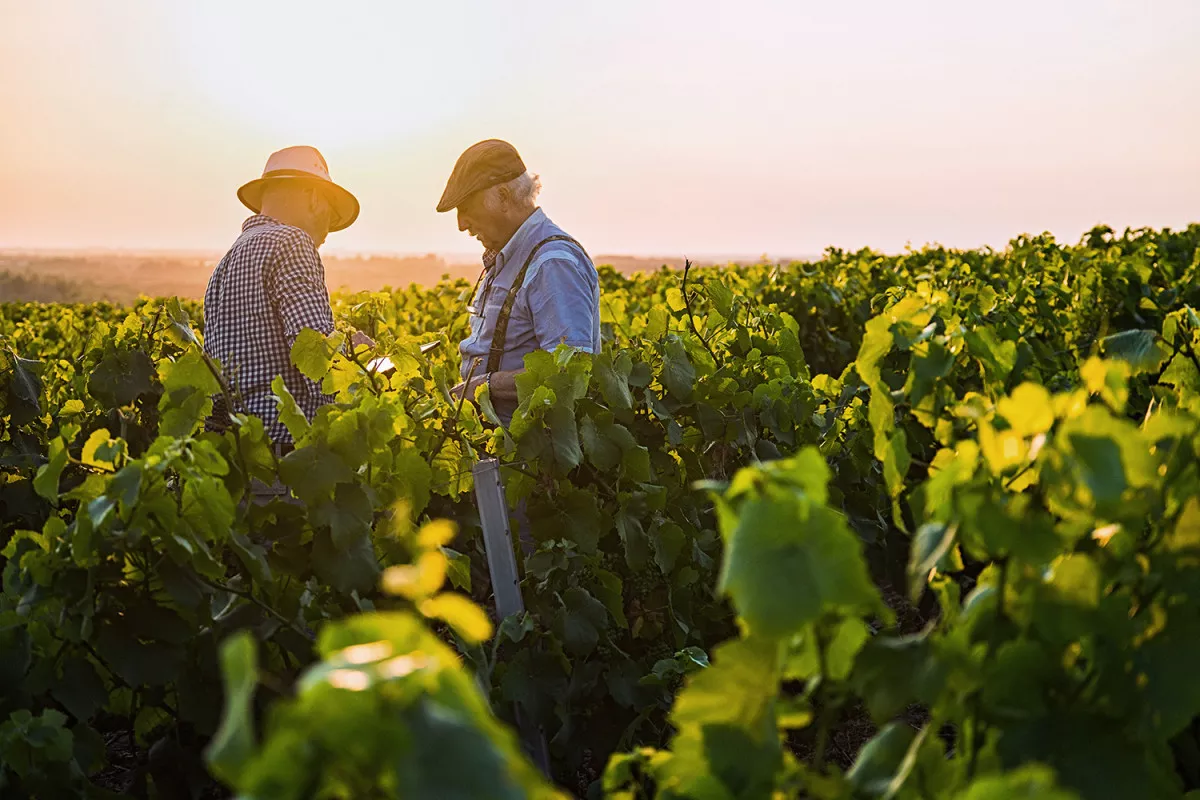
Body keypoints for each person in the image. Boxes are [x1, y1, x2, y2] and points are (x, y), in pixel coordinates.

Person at [203, 145, 366, 453]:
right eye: (331, 217)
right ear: (315, 198)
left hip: (241, 456)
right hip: (287, 456)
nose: (328, 231)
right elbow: (314, 356)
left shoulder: (224, 264)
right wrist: (360, 362)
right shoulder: (292, 242)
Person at [437, 139, 601, 424]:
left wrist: (483, 386)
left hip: (532, 457)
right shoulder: (508, 256)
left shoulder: (553, 263)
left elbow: (571, 370)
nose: (461, 224)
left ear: (502, 197)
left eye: (466, 207)